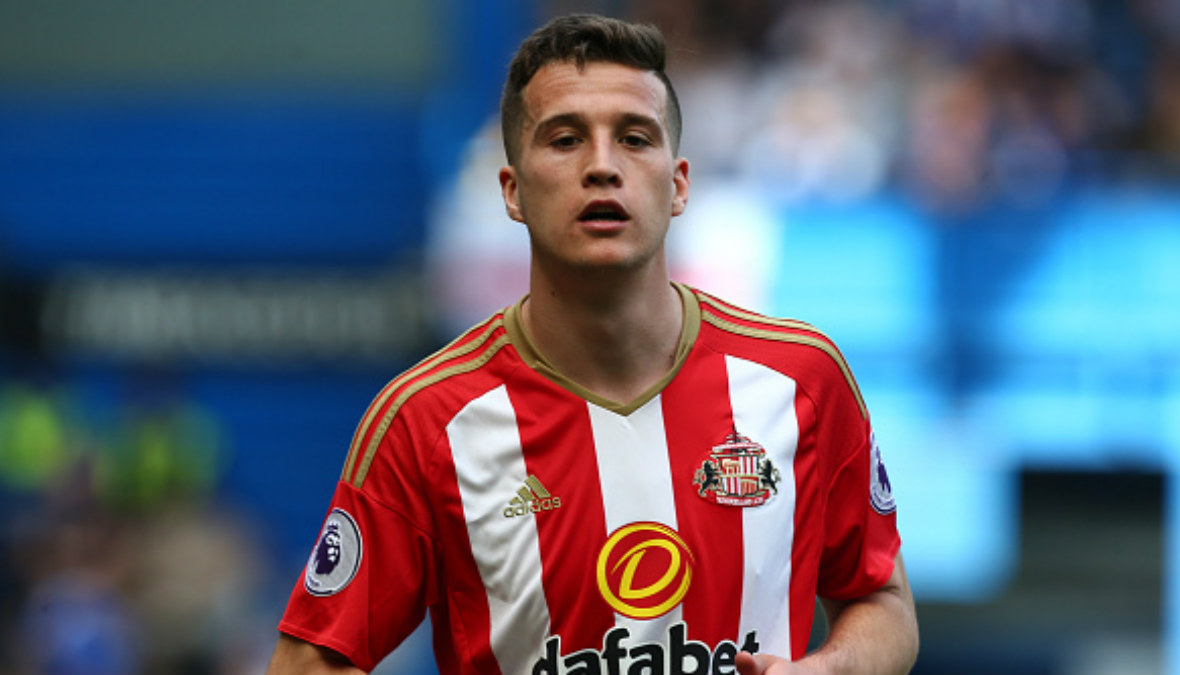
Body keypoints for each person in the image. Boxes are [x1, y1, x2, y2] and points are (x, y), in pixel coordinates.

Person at [267, 13, 918, 675]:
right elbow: (310, 659)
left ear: (680, 184)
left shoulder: (802, 379)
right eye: (565, 139)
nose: (603, 166)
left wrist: (829, 669)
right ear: (512, 191)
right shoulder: (427, 420)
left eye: (635, 138)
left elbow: (880, 596)